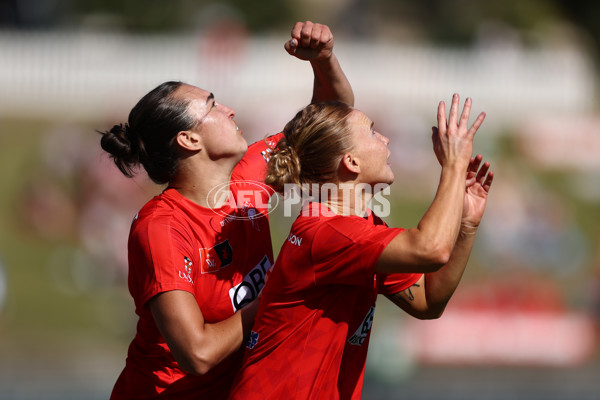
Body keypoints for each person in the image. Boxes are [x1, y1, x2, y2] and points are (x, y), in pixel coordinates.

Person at [99, 21, 354, 400]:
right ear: (188, 139)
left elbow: (330, 124)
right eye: (213, 106)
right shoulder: (162, 229)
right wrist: (275, 292)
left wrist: (323, 61)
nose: (230, 110)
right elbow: (197, 354)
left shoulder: (250, 175)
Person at [229, 95, 493, 399]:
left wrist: (466, 226)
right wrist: (454, 166)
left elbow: (427, 301)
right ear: (350, 162)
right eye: (372, 132)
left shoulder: (362, 226)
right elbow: (431, 249)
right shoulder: (328, 233)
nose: (385, 138)